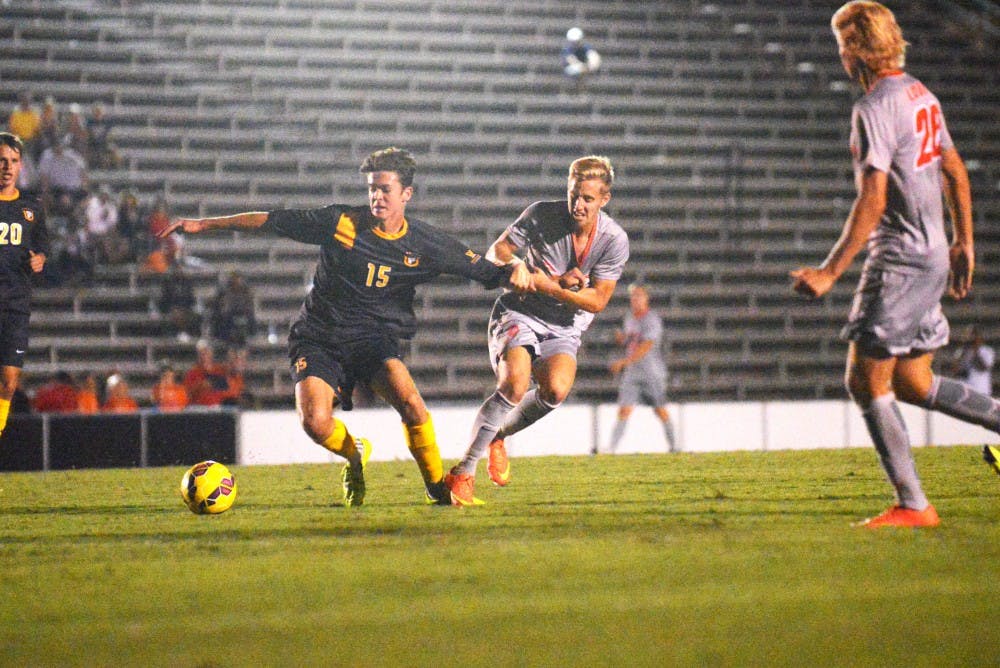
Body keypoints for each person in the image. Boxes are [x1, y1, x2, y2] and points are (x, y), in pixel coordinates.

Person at [159, 147, 525, 506]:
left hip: (372, 339)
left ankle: (436, 488)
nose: (376, 196)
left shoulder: (427, 243)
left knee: (413, 405)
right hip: (319, 336)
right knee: (315, 423)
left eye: (385, 189)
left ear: (407, 194)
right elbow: (271, 220)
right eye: (372, 189)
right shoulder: (342, 223)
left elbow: (488, 271)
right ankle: (355, 455)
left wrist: (525, 273)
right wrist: (205, 224)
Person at [790, 1, 996, 528]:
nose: (839, 54)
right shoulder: (920, 94)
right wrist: (962, 241)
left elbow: (873, 200)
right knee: (911, 380)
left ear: (857, 49)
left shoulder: (876, 107)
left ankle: (913, 505)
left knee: (864, 380)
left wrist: (830, 271)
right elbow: (954, 169)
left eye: (841, 43)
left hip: (902, 260)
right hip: (931, 256)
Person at [445, 155, 629, 505]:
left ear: (604, 200)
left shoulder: (614, 240)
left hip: (565, 325)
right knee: (514, 384)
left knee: (556, 391)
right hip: (520, 312)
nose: (578, 204)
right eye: (574, 194)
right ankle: (463, 472)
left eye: (588, 199)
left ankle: (495, 435)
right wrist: (516, 266)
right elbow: (497, 249)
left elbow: (598, 300)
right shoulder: (541, 214)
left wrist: (552, 287)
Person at [0, 132, 49, 440]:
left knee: (8, 381)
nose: (7, 167)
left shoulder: (32, 209)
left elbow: (43, 248)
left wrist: (40, 260)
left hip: (15, 306)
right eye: (2, 160)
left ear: (20, 167)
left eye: (13, 161)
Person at [600, 284, 677, 454]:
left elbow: (646, 346)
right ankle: (610, 449)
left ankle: (674, 446)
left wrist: (624, 362)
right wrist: (622, 340)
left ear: (646, 298)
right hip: (633, 373)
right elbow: (632, 343)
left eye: (639, 295)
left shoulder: (652, 320)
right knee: (624, 409)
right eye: (633, 296)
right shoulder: (630, 318)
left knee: (660, 410)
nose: (635, 299)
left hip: (651, 373)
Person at [208, 271, 256, 350]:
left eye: (238, 279)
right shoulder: (224, 292)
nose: (236, 281)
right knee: (222, 318)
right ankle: (224, 338)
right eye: (234, 279)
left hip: (242, 313)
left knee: (249, 318)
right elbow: (219, 305)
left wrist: (244, 309)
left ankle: (249, 335)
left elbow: (249, 305)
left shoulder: (246, 291)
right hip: (228, 314)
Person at [183, 339, 238, 407]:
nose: (204, 355)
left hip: (219, 409)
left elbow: (230, 390)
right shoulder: (192, 373)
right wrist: (200, 386)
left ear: (211, 353)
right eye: (201, 353)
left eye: (206, 351)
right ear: (198, 355)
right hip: (200, 409)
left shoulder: (221, 370)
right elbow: (187, 394)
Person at [157, 260, 201, 342]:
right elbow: (164, 299)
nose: (179, 270)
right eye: (177, 268)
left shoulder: (188, 282)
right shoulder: (167, 283)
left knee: (194, 315)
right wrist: (173, 309)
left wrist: (184, 309)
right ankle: (174, 333)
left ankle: (187, 333)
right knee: (175, 315)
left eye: (180, 268)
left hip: (186, 308)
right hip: (171, 309)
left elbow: (191, 298)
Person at [947, 327, 994, 395]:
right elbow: (955, 370)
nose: (971, 339)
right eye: (969, 337)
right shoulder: (961, 351)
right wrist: (962, 354)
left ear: (979, 338)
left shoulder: (987, 351)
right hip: (966, 391)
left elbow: (983, 367)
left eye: (973, 337)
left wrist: (976, 352)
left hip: (981, 390)